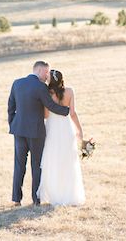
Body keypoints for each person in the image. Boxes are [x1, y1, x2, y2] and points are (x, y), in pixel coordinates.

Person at [8, 61, 70, 206]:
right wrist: (66, 111)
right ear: (40, 70)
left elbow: (11, 106)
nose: (47, 75)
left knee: (19, 165)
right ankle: (36, 200)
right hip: (35, 132)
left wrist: (13, 124)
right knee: (37, 165)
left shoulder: (17, 83)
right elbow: (50, 106)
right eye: (47, 72)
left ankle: (17, 199)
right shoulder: (40, 86)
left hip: (19, 130)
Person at [37, 69, 85, 206]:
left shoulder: (47, 94)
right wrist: (80, 130)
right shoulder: (70, 91)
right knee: (68, 160)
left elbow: (46, 116)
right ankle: (69, 194)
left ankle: (55, 194)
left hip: (52, 129)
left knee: (53, 160)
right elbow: (73, 113)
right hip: (66, 129)